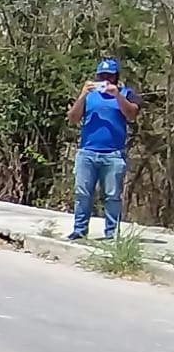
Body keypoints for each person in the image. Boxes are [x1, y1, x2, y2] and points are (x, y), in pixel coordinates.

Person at [66, 57, 141, 241]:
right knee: (82, 194)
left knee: (112, 195)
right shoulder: (90, 95)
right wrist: (82, 95)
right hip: (87, 152)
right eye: (102, 76)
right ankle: (79, 230)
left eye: (110, 76)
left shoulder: (126, 93)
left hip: (113, 154)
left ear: (116, 77)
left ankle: (111, 234)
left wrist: (117, 95)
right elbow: (72, 118)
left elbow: (132, 114)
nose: (105, 80)